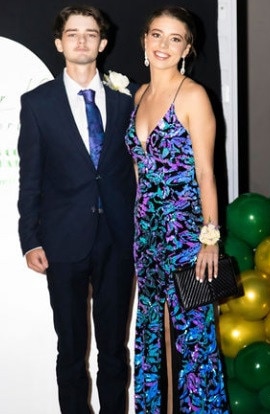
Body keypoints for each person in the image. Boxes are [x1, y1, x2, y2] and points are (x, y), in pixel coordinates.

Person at [17, 5, 137, 414]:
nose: (82, 40)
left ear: (103, 43)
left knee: (114, 349)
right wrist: (29, 238)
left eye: (90, 34)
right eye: (73, 34)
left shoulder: (125, 103)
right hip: (63, 240)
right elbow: (30, 178)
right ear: (59, 43)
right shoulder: (37, 104)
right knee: (70, 348)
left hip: (118, 240)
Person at [125, 6, 230, 413]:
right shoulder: (140, 96)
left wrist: (210, 239)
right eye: (156, 35)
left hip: (188, 237)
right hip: (148, 237)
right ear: (145, 42)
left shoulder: (193, 95)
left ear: (187, 48)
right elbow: (140, 176)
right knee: (151, 335)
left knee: (195, 341)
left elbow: (206, 173)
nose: (163, 45)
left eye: (174, 38)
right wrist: (138, 233)